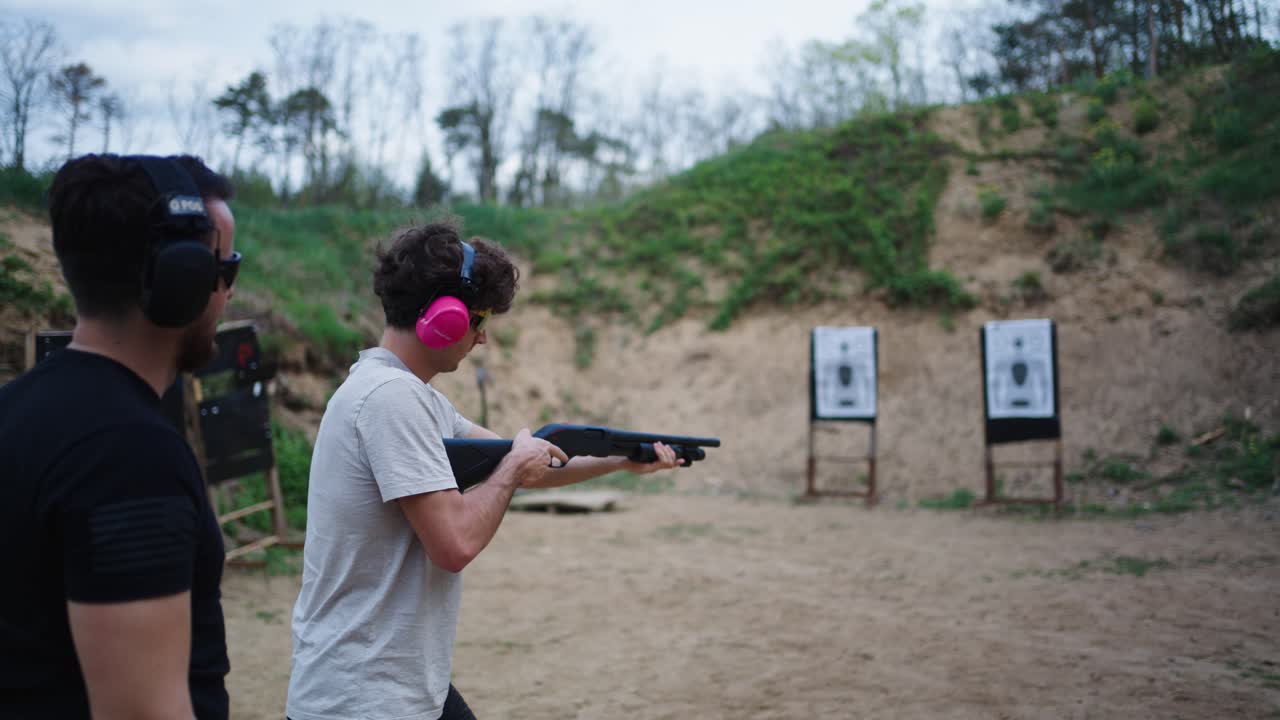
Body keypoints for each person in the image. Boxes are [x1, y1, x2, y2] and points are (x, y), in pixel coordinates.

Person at [286, 222, 681, 720]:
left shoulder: (407, 395)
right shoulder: (391, 399)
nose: (482, 336)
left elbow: (532, 460)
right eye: (478, 319)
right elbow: (455, 544)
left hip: (392, 684)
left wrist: (621, 458)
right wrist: (510, 473)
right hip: (364, 699)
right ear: (445, 318)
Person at [0, 154, 240, 719]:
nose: (228, 293)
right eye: (225, 269)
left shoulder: (13, 410)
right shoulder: (130, 459)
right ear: (182, 276)